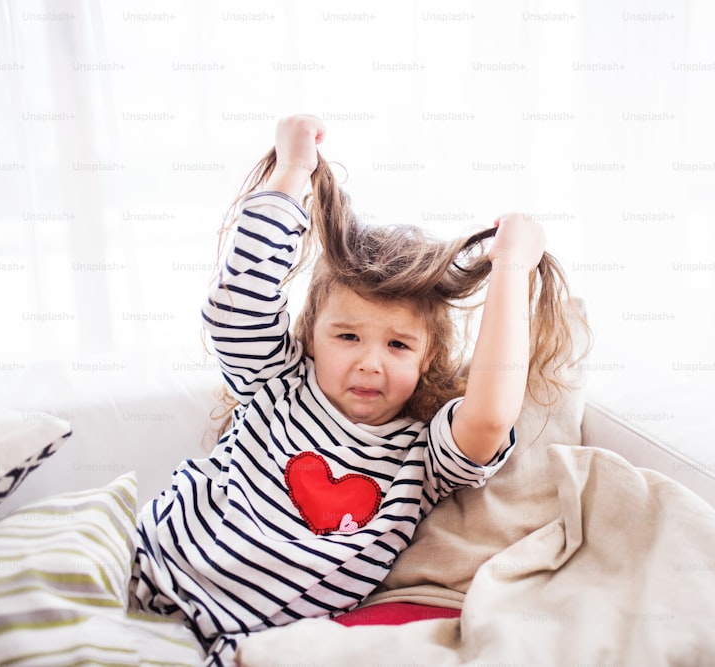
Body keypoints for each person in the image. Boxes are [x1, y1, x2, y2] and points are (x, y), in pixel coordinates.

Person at [128, 114, 587, 664]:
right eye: (347, 336)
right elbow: (236, 304)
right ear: (312, 334)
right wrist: (293, 172)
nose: (370, 363)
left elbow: (489, 418)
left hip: (234, 642)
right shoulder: (278, 381)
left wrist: (512, 266)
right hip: (137, 562)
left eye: (398, 346)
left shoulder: (420, 458)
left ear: (429, 358)